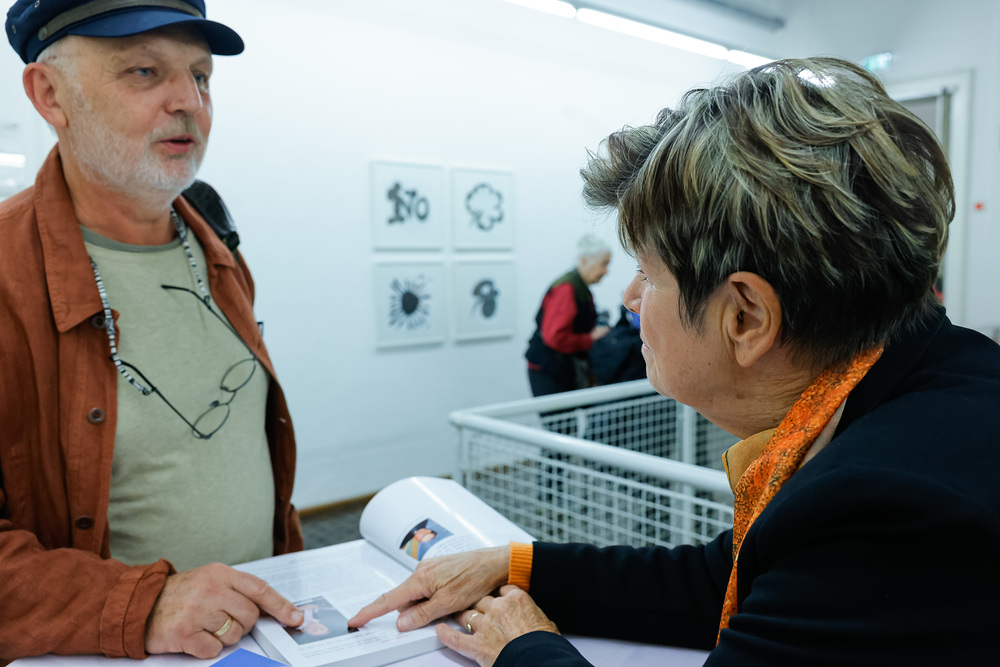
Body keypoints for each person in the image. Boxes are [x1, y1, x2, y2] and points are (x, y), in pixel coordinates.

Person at [349, 57, 1000, 666]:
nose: (629, 298)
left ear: (745, 317)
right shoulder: (927, 382)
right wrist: (515, 565)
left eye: (646, 272)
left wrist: (524, 647)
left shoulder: (885, 506)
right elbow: (728, 580)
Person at [0, 1, 304, 661]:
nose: (188, 101)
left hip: (256, 637)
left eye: (201, 75)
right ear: (50, 95)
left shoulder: (216, 246)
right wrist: (141, 604)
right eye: (144, 71)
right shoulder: (6, 274)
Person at [524, 234, 612, 397]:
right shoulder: (566, 289)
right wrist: (590, 339)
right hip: (550, 368)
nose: (606, 271)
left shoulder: (580, 287)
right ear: (584, 261)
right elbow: (555, 338)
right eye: (603, 264)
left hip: (560, 366)